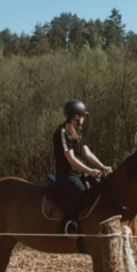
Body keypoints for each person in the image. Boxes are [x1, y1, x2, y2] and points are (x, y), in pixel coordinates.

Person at [53, 100, 112, 234]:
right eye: (82, 116)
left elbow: (87, 153)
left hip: (78, 173)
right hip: (65, 175)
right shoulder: (62, 132)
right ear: (76, 116)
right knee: (81, 193)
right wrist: (90, 171)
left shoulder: (78, 132)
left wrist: (102, 167)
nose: (84, 118)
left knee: (97, 189)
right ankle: (68, 224)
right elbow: (71, 158)